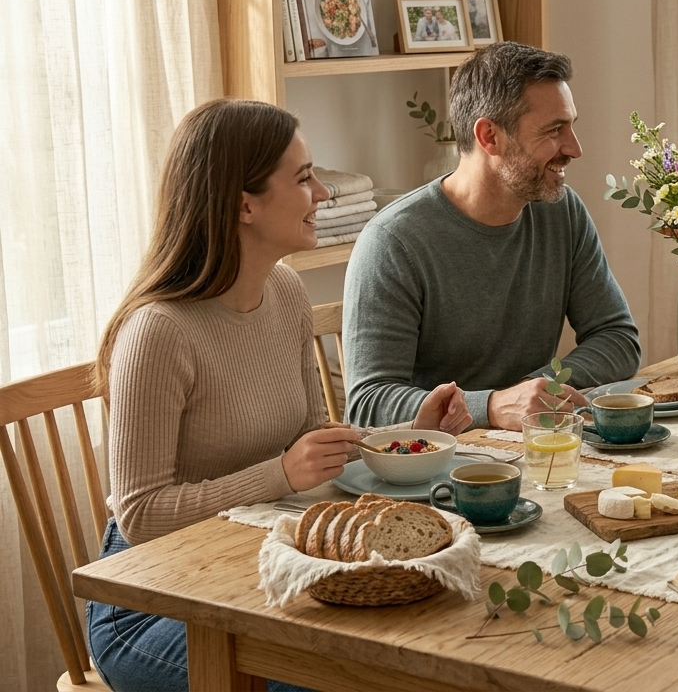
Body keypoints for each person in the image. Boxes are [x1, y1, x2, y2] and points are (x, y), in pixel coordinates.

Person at [88, 99, 472, 692]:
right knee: (346, 677)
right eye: (303, 178)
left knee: (424, 637)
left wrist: (400, 439)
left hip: (246, 562)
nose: (322, 193)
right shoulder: (157, 333)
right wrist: (279, 475)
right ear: (244, 205)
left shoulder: (286, 291)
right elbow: (139, 515)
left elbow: (309, 436)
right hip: (149, 601)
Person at [344, 42, 641, 432]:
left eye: (571, 126)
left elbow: (617, 339)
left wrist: (537, 390)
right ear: (489, 136)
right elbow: (368, 404)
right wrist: (492, 405)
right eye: (555, 130)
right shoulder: (393, 242)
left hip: (532, 444)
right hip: (437, 460)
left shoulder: (561, 211)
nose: (575, 148)